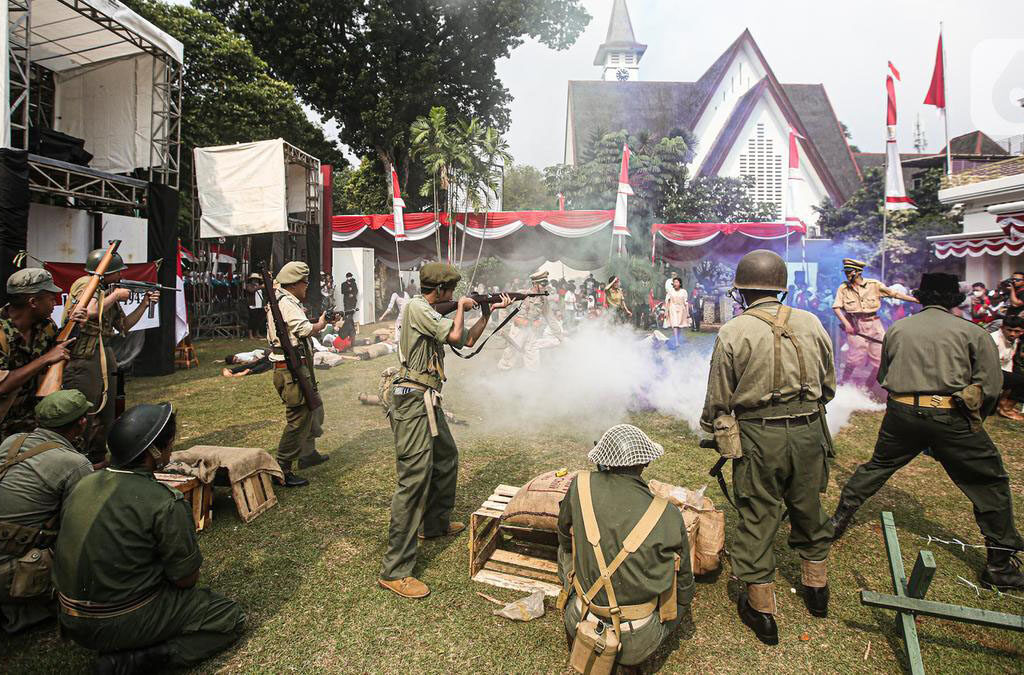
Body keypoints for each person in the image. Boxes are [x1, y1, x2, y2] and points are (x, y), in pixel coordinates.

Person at [830, 273, 1024, 591]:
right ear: (953, 301)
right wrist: (976, 420)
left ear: (921, 297)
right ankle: (1000, 565)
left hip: (902, 414)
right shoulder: (972, 332)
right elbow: (990, 386)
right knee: (990, 482)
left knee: (877, 467)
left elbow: (885, 374)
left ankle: (837, 521)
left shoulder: (897, 330)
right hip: (951, 416)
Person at [701, 249, 836, 645]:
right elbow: (828, 386)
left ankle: (762, 611)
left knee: (759, 512)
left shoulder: (733, 331)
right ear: (782, 288)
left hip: (760, 435)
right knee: (809, 504)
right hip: (811, 429)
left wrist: (714, 431)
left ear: (741, 291)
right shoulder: (811, 322)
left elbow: (718, 398)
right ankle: (817, 590)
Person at [54, 403, 244, 672]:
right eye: (169, 444)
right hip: (116, 620)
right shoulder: (164, 502)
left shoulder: (83, 484)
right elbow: (185, 580)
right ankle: (134, 661)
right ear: (154, 452)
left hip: (71, 619)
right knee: (228, 617)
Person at [378, 263, 511, 599]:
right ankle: (395, 571)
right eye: (451, 292)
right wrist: (462, 309)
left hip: (428, 397)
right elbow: (454, 335)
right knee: (413, 481)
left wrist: (487, 313)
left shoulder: (428, 309)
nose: (453, 296)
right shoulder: (417, 308)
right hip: (412, 400)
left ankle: (434, 524)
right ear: (439, 292)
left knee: (447, 457)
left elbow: (465, 341)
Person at [557, 425, 695, 670]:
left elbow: (563, 534)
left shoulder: (580, 485)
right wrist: (680, 610)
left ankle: (572, 598)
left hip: (580, 617)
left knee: (564, 549)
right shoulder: (668, 513)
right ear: (646, 463)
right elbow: (684, 580)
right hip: (637, 639)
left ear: (603, 460)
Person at [0, 390, 93, 634]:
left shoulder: (13, 441)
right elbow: (81, 529)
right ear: (81, 422)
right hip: (11, 572)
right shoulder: (75, 464)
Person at [62, 249, 159, 465]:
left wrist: (143, 304)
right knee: (85, 410)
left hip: (105, 354)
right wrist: (114, 296)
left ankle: (98, 458)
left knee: (107, 414)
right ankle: (75, 461)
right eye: (117, 273)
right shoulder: (85, 284)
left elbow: (124, 326)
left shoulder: (105, 292)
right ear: (106, 272)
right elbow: (88, 311)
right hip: (84, 356)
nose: (120, 277)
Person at [266, 262, 330, 486]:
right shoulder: (287, 303)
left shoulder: (284, 301)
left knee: (314, 409)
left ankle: (307, 453)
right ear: (294, 284)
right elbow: (303, 330)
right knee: (298, 419)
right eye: (305, 282)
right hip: (290, 370)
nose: (307, 286)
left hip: (297, 367)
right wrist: (320, 325)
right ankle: (282, 467)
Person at [0, 269, 78, 438]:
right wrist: (45, 359)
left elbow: (60, 356)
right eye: (51, 297)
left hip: (35, 418)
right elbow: (2, 386)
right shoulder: (1, 333)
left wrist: (74, 326)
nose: (54, 302)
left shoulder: (46, 326)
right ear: (33, 302)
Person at [831, 258, 917, 388]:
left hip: (875, 324)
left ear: (858, 272)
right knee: (854, 359)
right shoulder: (843, 288)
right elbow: (836, 307)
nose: (847, 274)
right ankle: (844, 383)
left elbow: (894, 294)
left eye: (850, 272)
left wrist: (915, 300)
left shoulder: (874, 285)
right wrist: (847, 324)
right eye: (846, 272)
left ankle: (868, 387)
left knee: (881, 361)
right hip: (856, 324)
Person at [497, 271, 563, 372]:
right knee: (510, 355)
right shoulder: (521, 294)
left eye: (546, 283)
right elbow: (503, 307)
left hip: (532, 331)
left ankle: (531, 381)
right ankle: (501, 375)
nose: (545, 286)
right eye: (543, 284)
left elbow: (551, 319)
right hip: (518, 330)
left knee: (533, 359)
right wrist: (502, 327)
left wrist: (560, 337)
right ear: (535, 284)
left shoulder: (543, 300)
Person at [992, 315, 1024, 420]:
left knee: (1017, 376)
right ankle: (1006, 409)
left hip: (1001, 369)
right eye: (1009, 330)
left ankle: (1003, 405)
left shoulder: (1015, 340)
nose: (1012, 334)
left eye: (1016, 331)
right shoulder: (994, 339)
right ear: (1002, 328)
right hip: (989, 370)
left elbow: (1009, 361)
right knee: (1020, 380)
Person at [245, 273, 265, 339]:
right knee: (252, 319)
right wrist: (259, 287)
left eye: (256, 279)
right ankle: (250, 334)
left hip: (259, 304)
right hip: (252, 305)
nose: (255, 280)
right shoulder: (249, 285)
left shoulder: (259, 285)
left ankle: (257, 333)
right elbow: (251, 291)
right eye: (254, 279)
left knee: (258, 319)